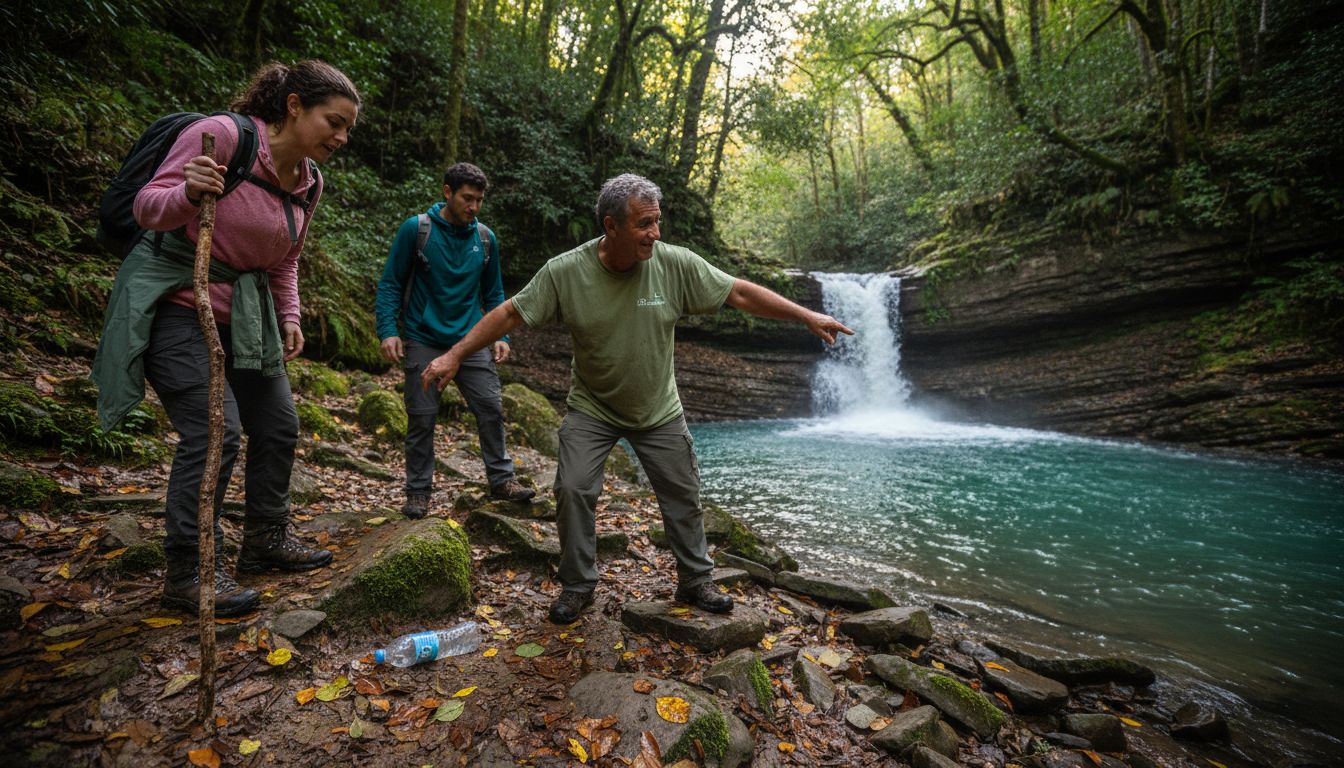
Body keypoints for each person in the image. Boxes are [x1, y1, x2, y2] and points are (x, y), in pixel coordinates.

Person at [420, 174, 853, 624]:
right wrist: (454, 355)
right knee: (572, 487)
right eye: (645, 224)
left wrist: (807, 316)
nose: (656, 234)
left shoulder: (674, 264)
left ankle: (695, 579)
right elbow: (511, 312)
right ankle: (578, 584)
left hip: (657, 408)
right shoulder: (566, 271)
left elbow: (738, 291)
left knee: (683, 493)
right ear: (611, 226)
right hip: (593, 406)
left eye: (658, 222)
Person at [93, 60, 361, 617]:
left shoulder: (309, 180)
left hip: (246, 316)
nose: (341, 137)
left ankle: (265, 538)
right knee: (216, 432)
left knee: (279, 424)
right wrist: (188, 194)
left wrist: (290, 315)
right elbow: (147, 207)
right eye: (333, 122)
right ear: (294, 106)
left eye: (347, 129)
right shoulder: (221, 137)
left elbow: (286, 258)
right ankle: (189, 571)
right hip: (176, 306)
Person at [374, 163, 534, 518]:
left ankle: (502, 480)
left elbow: (493, 294)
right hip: (424, 337)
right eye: (467, 198)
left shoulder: (485, 239)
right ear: (447, 192)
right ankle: (418, 493)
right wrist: (387, 329)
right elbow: (390, 283)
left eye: (479, 200)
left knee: (490, 408)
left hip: (472, 340)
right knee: (422, 417)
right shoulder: (417, 230)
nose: (474, 207)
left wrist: (501, 335)